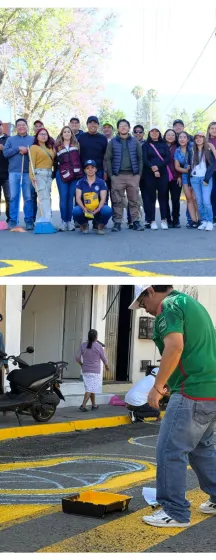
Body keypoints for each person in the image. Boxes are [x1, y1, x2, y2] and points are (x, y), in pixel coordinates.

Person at [130, 286, 216, 528]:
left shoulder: (168, 306)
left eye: (141, 302)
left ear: (149, 291)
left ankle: (175, 511)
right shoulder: (191, 304)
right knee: (202, 449)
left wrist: (157, 387)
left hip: (192, 391)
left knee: (170, 450)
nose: (144, 310)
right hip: (210, 390)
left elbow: (175, 346)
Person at [105, 119, 145, 232]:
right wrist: (111, 175)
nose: (123, 127)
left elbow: (140, 158)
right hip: (118, 176)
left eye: (125, 125)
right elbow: (108, 158)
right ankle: (117, 223)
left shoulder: (135, 141)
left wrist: (139, 174)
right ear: (118, 129)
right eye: (121, 126)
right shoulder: (112, 142)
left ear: (129, 128)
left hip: (133, 176)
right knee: (117, 201)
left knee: (134, 200)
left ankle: (135, 221)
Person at [3, 118, 36, 229]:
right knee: (13, 197)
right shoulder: (11, 140)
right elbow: (5, 153)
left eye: (23, 125)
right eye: (19, 125)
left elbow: (37, 152)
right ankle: (13, 220)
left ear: (27, 126)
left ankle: (29, 220)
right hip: (14, 172)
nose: (21, 127)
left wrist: (28, 150)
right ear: (16, 128)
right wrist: (17, 148)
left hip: (27, 173)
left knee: (28, 197)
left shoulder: (33, 139)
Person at [141, 127, 172, 230]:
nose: (154, 133)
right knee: (151, 198)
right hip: (149, 173)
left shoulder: (164, 144)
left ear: (159, 133)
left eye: (156, 131)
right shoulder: (145, 145)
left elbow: (167, 158)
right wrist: (153, 168)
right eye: (152, 131)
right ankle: (152, 221)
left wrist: (158, 167)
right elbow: (144, 159)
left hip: (163, 173)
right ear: (149, 133)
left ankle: (164, 220)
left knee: (163, 197)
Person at [73, 160, 113, 234]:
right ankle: (84, 224)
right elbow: (78, 198)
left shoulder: (101, 182)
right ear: (85, 170)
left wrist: (98, 209)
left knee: (107, 210)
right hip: (85, 210)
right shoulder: (80, 182)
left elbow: (103, 198)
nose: (90, 170)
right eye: (87, 168)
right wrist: (84, 208)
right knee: (75, 210)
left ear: (96, 169)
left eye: (92, 167)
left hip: (98, 209)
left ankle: (100, 225)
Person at [55, 126, 82, 231]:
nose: (67, 133)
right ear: (62, 134)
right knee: (63, 197)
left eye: (68, 131)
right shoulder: (57, 146)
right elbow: (53, 159)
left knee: (71, 198)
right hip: (62, 174)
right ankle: (63, 221)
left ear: (71, 133)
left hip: (75, 175)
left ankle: (69, 222)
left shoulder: (76, 144)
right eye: (64, 132)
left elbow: (79, 158)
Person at [75, 329, 109, 411]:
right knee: (90, 388)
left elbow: (77, 357)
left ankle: (94, 405)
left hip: (85, 370)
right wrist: (106, 366)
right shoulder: (98, 346)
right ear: (96, 337)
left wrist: (82, 364)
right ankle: (83, 405)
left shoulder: (83, 345)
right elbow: (104, 358)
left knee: (91, 387)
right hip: (95, 371)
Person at [29, 128, 56, 227]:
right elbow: (31, 162)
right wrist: (32, 176)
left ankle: (39, 221)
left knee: (45, 198)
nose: (43, 136)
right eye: (41, 134)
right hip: (39, 174)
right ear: (37, 136)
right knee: (44, 198)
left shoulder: (50, 147)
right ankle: (47, 221)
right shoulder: (34, 147)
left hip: (49, 175)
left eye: (45, 134)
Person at [190, 132, 215, 231]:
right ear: (195, 140)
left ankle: (210, 221)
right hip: (195, 179)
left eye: (201, 137)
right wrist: (190, 178)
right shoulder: (192, 151)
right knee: (199, 202)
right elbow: (189, 166)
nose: (199, 139)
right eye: (196, 138)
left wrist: (206, 179)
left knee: (206, 201)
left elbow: (211, 166)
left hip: (205, 179)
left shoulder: (208, 151)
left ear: (204, 139)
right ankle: (204, 221)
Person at [78, 116, 108, 181]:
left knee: (99, 191)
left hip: (99, 171)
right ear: (87, 125)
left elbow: (106, 157)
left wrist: (105, 171)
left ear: (98, 125)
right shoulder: (81, 137)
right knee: (84, 191)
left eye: (95, 123)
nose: (92, 125)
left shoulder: (103, 138)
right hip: (84, 171)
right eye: (90, 123)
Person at [164, 129, 182, 229]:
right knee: (164, 199)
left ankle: (176, 219)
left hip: (175, 177)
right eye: (168, 134)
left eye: (172, 135)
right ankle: (168, 220)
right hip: (163, 178)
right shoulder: (161, 146)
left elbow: (181, 162)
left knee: (175, 199)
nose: (170, 136)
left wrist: (179, 176)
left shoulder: (178, 147)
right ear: (165, 136)